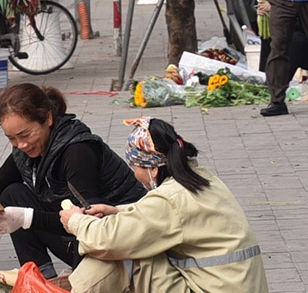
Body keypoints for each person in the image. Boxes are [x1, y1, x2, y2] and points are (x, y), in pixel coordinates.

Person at [59, 117, 268, 293]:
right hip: (232, 285)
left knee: (125, 253)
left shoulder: (170, 198)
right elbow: (163, 219)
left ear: (153, 169)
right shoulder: (203, 179)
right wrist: (117, 211)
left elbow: (110, 239)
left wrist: (76, 221)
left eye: (135, 167)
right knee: (131, 240)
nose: (135, 175)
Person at [0, 84, 145, 281]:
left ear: (47, 118)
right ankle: (40, 279)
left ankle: (79, 280)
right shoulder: (25, 152)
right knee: (12, 194)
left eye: (25, 134)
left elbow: (94, 222)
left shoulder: (78, 151)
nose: (21, 145)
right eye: (12, 138)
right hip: (77, 234)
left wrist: (26, 218)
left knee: (21, 210)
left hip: (121, 244)